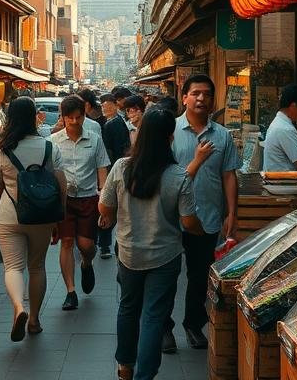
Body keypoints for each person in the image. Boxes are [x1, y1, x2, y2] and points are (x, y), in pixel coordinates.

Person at [100, 106, 206, 380]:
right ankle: (144, 376)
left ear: (141, 134)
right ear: (170, 137)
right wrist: (202, 232)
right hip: (165, 257)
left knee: (128, 307)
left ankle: (125, 365)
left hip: (129, 253)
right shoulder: (178, 175)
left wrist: (112, 216)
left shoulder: (121, 167)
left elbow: (104, 207)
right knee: (153, 316)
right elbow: (188, 222)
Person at [164, 74, 239, 353]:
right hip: (171, 219)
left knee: (199, 276)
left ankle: (193, 324)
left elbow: (229, 175)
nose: (201, 99)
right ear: (184, 97)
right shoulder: (169, 131)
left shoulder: (222, 135)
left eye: (207, 94)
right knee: (167, 276)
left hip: (207, 217)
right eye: (195, 93)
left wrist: (233, 213)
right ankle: (164, 328)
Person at [0, 96, 68, 342]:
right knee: (37, 267)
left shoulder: (2, 147)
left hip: (9, 215)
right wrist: (58, 217)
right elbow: (62, 185)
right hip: (42, 216)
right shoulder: (49, 147)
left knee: (12, 267)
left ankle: (18, 308)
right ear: (34, 117)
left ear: (10, 118)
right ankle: (33, 319)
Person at [50, 95, 111, 309]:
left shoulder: (94, 139)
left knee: (87, 245)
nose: (75, 122)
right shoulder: (53, 141)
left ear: (84, 116)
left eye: (79, 117)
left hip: (88, 197)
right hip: (64, 200)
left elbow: (102, 168)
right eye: (70, 118)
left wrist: (104, 198)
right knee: (66, 243)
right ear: (63, 118)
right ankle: (70, 291)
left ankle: (86, 263)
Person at [98, 93, 134, 259]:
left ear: (114, 105)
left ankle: (105, 244)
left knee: (110, 207)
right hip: (117, 168)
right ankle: (105, 243)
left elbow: (112, 150)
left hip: (115, 168)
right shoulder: (114, 122)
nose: (104, 108)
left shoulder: (113, 124)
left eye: (106, 104)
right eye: (102, 105)